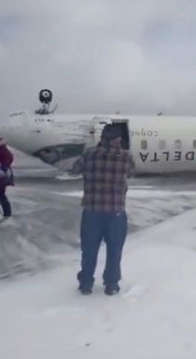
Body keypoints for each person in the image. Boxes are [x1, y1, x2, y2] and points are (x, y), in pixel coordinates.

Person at [71, 124, 136, 296]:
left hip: (92, 211)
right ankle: (111, 284)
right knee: (114, 250)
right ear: (117, 140)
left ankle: (86, 283)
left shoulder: (90, 154)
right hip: (116, 212)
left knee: (89, 249)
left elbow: (74, 169)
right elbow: (131, 173)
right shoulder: (125, 157)